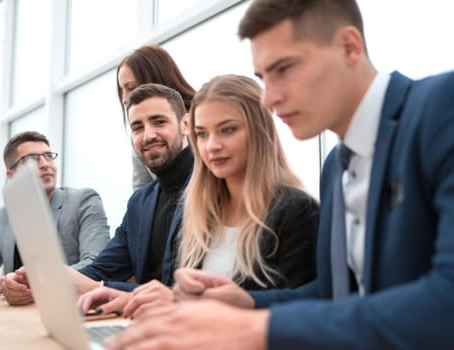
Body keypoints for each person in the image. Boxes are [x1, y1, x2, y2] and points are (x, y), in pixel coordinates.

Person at [103, 0, 454, 349]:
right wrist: (249, 304)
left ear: (349, 47)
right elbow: (337, 293)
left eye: (283, 69)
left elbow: (445, 301)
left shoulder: (441, 108)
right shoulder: (335, 166)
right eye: (262, 78)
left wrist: (257, 329)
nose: (269, 98)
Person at [79, 74, 319, 318]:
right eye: (202, 134)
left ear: (259, 130)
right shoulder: (200, 210)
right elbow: (187, 300)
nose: (211, 145)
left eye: (227, 130)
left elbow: (297, 316)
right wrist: (133, 298)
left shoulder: (296, 210)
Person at [3, 84, 193, 305]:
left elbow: (178, 292)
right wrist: (31, 280)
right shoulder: (140, 202)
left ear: (186, 124)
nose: (148, 135)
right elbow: (101, 269)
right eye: (137, 127)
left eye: (159, 122)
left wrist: (101, 289)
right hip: (140, 324)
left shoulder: (213, 189)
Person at [0, 131, 110, 296]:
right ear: (11, 175)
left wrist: (27, 280)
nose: (45, 164)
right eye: (31, 160)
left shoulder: (83, 201)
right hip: (20, 315)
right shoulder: (5, 216)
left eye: (48, 156)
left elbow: (96, 263)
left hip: (73, 310)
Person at [117, 44, 195, 190]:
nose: (124, 99)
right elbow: (140, 191)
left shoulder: (202, 121)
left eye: (131, 88)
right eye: (122, 90)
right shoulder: (142, 139)